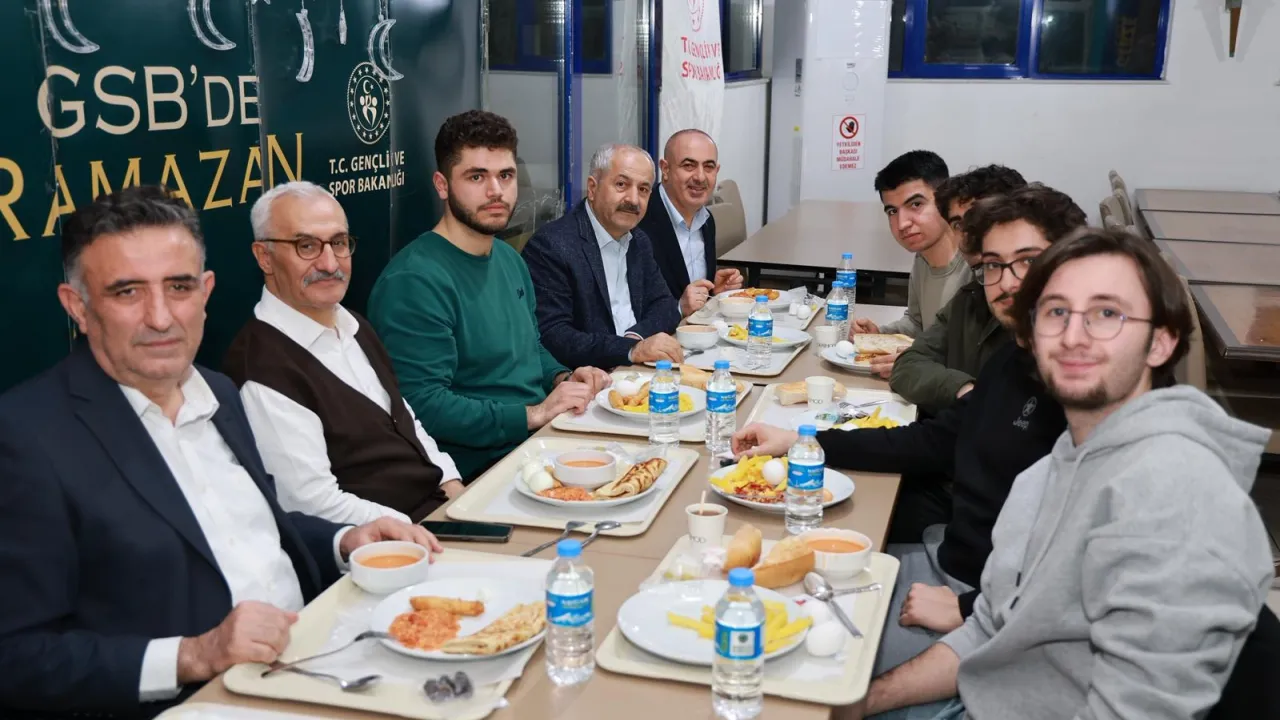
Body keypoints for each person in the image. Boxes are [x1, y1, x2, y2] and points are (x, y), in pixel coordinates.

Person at [0, 186, 440, 718]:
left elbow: (251, 533)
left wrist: (345, 540)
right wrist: (191, 656)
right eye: (127, 292)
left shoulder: (219, 393)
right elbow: (16, 658)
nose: (161, 317)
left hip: (314, 661)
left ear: (206, 290)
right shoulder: (27, 437)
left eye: (179, 287)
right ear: (79, 308)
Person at [861, 227, 1274, 720]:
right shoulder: (1053, 466)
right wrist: (863, 703)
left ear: (1160, 344)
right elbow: (988, 629)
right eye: (1056, 312)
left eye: (1107, 314)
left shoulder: (1172, 496)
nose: (1073, 336)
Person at [732, 185, 1086, 679]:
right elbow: (934, 440)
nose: (1007, 282)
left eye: (1027, 261)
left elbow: (1082, 567)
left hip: (980, 601)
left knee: (785, 662)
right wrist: (802, 443)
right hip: (953, 559)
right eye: (993, 266)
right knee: (760, 596)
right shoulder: (1015, 356)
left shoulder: (1084, 388)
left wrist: (968, 608)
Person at [367, 110, 611, 480]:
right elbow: (422, 406)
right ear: (442, 185)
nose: (496, 191)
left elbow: (529, 348)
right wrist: (533, 414)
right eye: (476, 177)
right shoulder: (413, 280)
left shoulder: (509, 259)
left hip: (537, 445)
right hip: (476, 473)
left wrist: (563, 379)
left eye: (506, 175)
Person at [224, 181, 463, 526]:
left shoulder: (353, 324)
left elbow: (405, 420)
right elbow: (312, 504)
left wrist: (453, 487)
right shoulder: (262, 370)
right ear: (264, 257)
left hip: (437, 515)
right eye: (306, 246)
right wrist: (420, 530)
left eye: (338, 243)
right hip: (382, 545)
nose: (329, 263)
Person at [522, 144, 685, 369]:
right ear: (592, 188)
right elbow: (554, 336)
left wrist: (636, 339)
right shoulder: (552, 246)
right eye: (621, 185)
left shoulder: (639, 240)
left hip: (637, 368)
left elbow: (665, 304)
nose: (633, 200)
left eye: (643, 189)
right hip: (589, 377)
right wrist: (629, 350)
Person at [889, 165, 1027, 414]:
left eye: (981, 220)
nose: (968, 236)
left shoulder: (1046, 306)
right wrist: (965, 390)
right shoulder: (971, 295)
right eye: (958, 225)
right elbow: (907, 364)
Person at [854, 150, 968, 379]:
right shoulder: (922, 258)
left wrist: (917, 360)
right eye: (892, 211)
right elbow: (917, 323)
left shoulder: (977, 266)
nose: (902, 223)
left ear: (946, 200)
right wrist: (881, 336)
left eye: (916, 204)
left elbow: (975, 356)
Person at [639, 128, 743, 305]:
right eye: (688, 165)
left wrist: (713, 292)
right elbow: (630, 305)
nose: (700, 177)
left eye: (708, 167)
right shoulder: (639, 219)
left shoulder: (707, 220)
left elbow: (689, 293)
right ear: (665, 169)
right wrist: (679, 308)